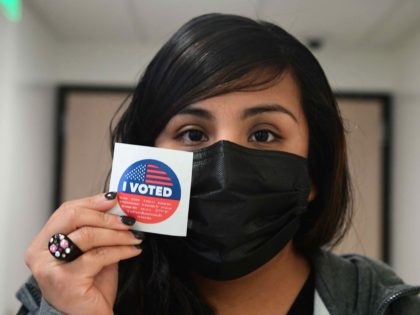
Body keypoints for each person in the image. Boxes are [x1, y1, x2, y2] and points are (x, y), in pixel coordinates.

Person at [16, 13, 420, 315]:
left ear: (313, 171)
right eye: (192, 134)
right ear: (145, 153)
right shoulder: (65, 290)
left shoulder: (380, 301)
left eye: (263, 134)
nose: (226, 173)